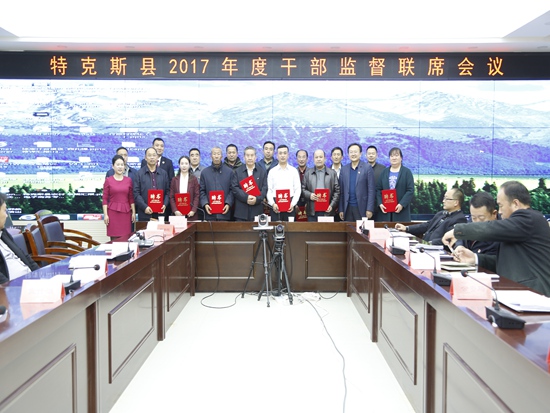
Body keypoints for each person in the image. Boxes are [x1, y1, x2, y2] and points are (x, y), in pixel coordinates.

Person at [443, 181, 550, 296]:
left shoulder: (529, 218)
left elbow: (491, 228)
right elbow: (505, 263)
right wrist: (475, 258)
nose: (499, 211)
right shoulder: (515, 228)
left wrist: (458, 231)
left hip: (534, 295)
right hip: (516, 292)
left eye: (501, 205)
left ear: (515, 203)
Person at [396, 187, 466, 245]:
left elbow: (449, 239)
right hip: (424, 246)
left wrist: (428, 244)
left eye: (446, 199)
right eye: (444, 198)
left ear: (456, 202)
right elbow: (427, 225)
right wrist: (406, 228)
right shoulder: (441, 214)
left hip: (436, 250)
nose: (443, 201)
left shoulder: (460, 219)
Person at [0, 193, 39, 284]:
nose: (6, 215)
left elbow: (25, 257)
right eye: (4, 211)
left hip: (31, 282)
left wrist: (40, 275)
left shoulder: (3, 233)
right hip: (13, 289)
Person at [376, 147, 415, 222]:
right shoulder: (384, 172)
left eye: (396, 155)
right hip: (385, 211)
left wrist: (402, 204)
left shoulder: (407, 172)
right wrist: (380, 203)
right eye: (392, 156)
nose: (394, 158)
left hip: (401, 211)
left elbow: (410, 190)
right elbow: (378, 189)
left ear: (401, 158)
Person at [338, 143, 375, 221]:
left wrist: (369, 209)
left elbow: (371, 190)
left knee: (361, 229)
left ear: (360, 153)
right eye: (351, 152)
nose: (353, 154)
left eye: (355, 152)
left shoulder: (367, 168)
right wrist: (341, 209)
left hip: (362, 208)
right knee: (348, 228)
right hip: (347, 208)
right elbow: (341, 191)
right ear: (348, 154)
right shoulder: (344, 169)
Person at [103, 155, 136, 240]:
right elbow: (105, 199)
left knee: (126, 238)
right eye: (118, 165)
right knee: (114, 239)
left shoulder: (128, 180)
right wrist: (106, 215)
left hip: (126, 213)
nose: (120, 167)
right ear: (113, 166)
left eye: (122, 165)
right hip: (112, 213)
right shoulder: (108, 180)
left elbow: (131, 198)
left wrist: (133, 212)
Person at [230, 146, 268, 221]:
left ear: (255, 157)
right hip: (241, 212)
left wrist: (256, 199)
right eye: (247, 155)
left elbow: (264, 188)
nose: (250, 158)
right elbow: (234, 188)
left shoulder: (262, 172)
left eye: (252, 155)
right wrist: (246, 197)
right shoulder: (238, 171)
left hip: (257, 210)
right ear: (244, 157)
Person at [301, 149, 340, 221]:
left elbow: (337, 191)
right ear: (313, 159)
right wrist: (309, 195)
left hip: (327, 210)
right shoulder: (308, 173)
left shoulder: (332, 173)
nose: (318, 159)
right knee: (313, 228)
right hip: (312, 211)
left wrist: (332, 205)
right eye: (316, 157)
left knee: (326, 229)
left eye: (321, 157)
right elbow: (302, 189)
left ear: (325, 158)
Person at [140, 138, 175, 218]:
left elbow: (170, 183)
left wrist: (165, 203)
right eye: (157, 145)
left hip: (162, 205)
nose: (159, 147)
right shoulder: (144, 162)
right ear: (153, 146)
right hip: (147, 203)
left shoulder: (168, 162)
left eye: (162, 146)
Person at [133, 147, 170, 222]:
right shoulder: (139, 174)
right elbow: (136, 193)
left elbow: (168, 191)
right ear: (145, 158)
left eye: (154, 155)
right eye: (149, 155)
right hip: (144, 213)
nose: (152, 157)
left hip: (160, 212)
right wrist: (144, 207)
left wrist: (165, 204)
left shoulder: (163, 173)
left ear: (157, 157)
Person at [267, 145, 301, 221]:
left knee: (290, 228)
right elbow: (269, 190)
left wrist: (293, 204)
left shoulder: (293, 171)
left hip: (290, 204)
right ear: (277, 155)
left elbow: (297, 189)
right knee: (276, 227)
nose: (282, 155)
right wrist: (272, 204)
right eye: (280, 153)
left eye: (285, 153)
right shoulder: (272, 171)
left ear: (288, 155)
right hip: (276, 204)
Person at [199, 147, 234, 221]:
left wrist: (228, 203)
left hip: (225, 212)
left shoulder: (229, 172)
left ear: (222, 156)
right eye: (214, 154)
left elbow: (232, 190)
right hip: (209, 212)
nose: (216, 156)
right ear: (211, 156)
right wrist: (205, 204)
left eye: (218, 154)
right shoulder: (205, 173)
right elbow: (202, 191)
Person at [169, 155, 200, 221]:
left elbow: (197, 196)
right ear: (179, 165)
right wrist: (175, 210)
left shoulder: (194, 179)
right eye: (182, 163)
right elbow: (171, 197)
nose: (184, 166)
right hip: (177, 214)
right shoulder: (174, 180)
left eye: (186, 163)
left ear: (189, 165)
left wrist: (193, 210)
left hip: (191, 214)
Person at [295, 149, 309, 220]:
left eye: (303, 157)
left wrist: (309, 203)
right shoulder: (293, 172)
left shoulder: (312, 172)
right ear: (296, 159)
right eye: (299, 157)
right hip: (296, 203)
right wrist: (294, 203)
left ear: (307, 159)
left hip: (309, 203)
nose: (301, 159)